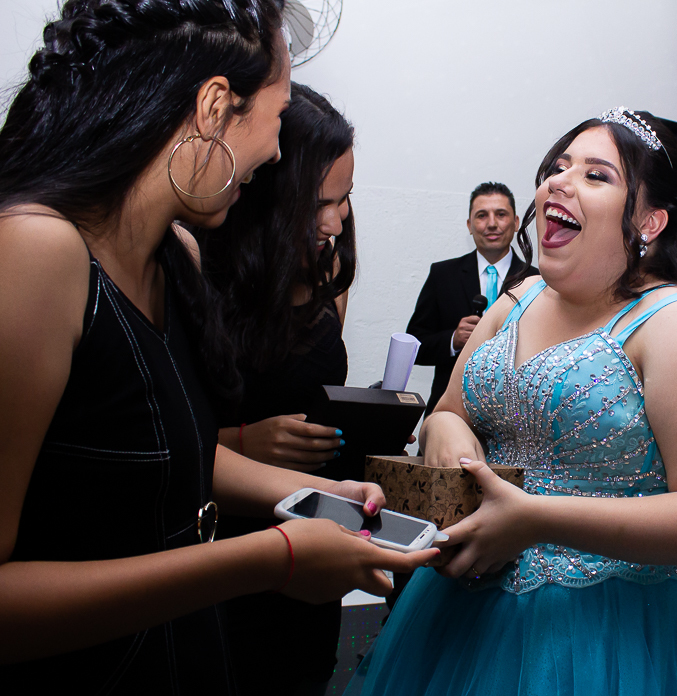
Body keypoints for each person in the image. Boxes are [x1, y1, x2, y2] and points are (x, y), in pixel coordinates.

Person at [0, 2, 435, 693]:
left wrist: (320, 493)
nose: (274, 152)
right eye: (278, 111)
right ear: (213, 107)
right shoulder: (35, 252)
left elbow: (177, 460)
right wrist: (274, 558)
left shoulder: (178, 254)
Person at [346, 108, 677, 695]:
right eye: (558, 167)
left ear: (650, 221)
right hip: (466, 617)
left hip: (619, 638)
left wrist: (535, 518)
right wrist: (449, 435)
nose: (559, 183)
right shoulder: (516, 301)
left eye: (597, 175)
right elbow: (445, 409)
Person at [198, 83, 359, 695]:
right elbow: (159, 442)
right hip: (223, 550)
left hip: (306, 544)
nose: (338, 221)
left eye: (346, 200)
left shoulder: (325, 270)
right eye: (323, 201)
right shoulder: (199, 274)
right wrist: (244, 441)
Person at [406, 182, 539, 417]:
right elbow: (415, 346)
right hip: (449, 412)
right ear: (469, 225)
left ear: (516, 222)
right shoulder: (442, 275)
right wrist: (452, 340)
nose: (491, 223)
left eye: (501, 214)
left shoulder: (537, 281)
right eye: (481, 215)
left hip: (514, 419)